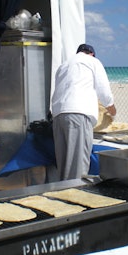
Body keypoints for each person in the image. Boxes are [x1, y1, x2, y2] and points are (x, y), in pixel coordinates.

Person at [51, 43, 116, 180]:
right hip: (78, 113)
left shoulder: (64, 65)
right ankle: (75, 196)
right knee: (77, 167)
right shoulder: (93, 62)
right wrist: (112, 110)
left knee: (64, 165)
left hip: (58, 115)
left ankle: (62, 195)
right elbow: (104, 92)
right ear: (91, 54)